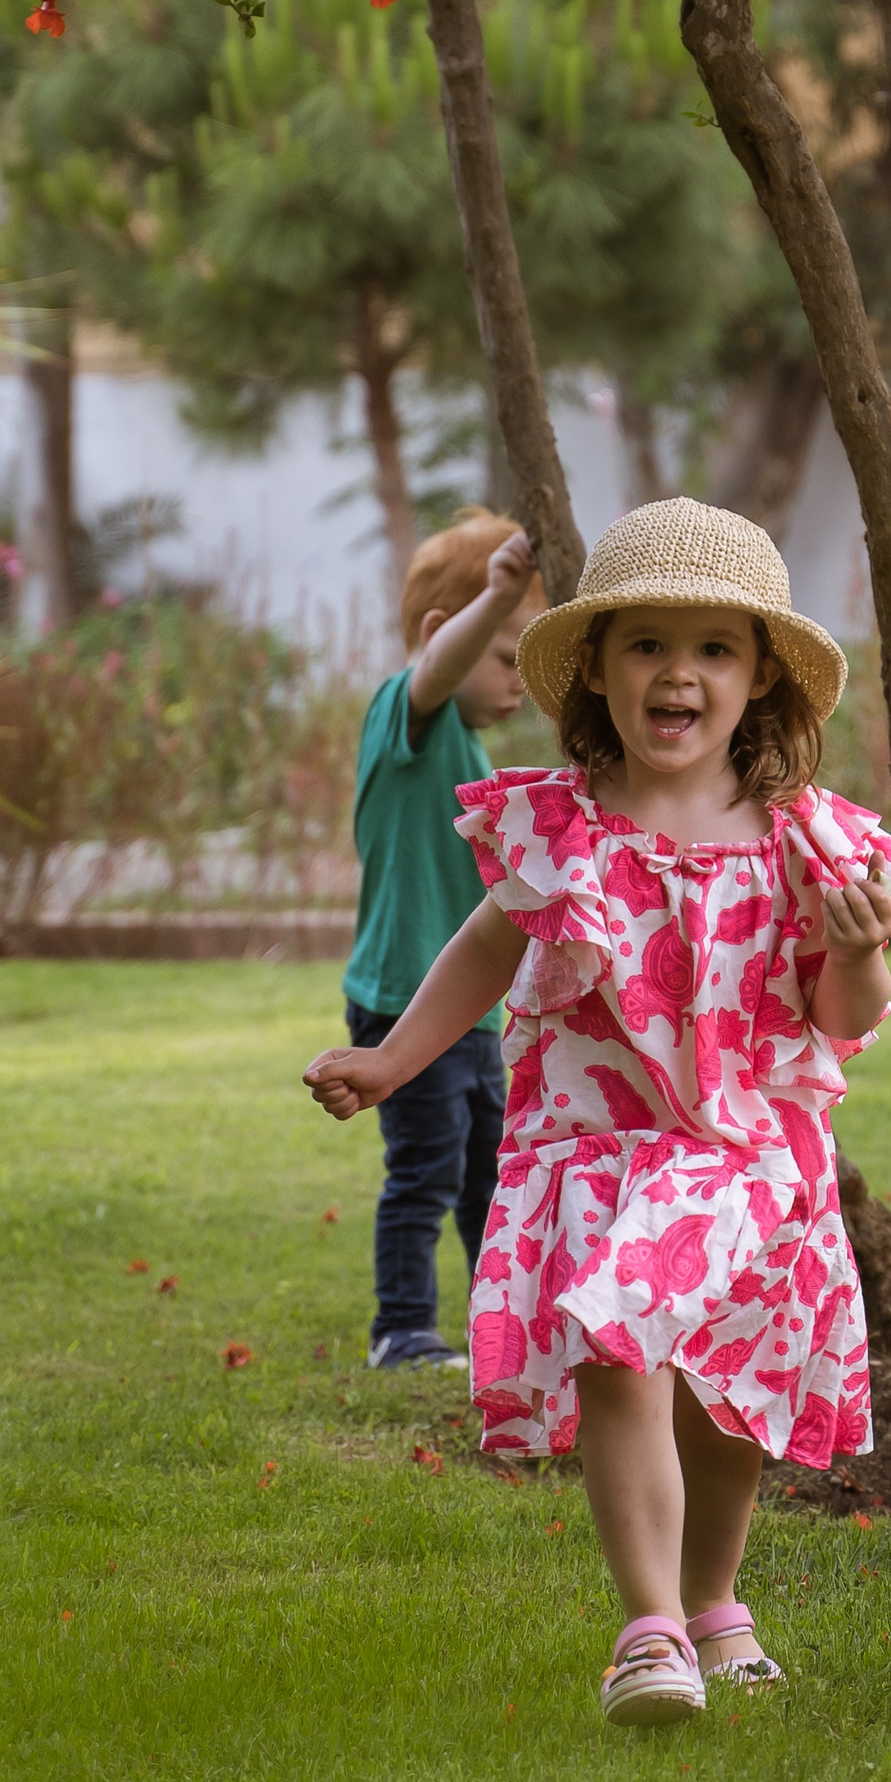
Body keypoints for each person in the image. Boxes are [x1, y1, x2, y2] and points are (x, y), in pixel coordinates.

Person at [308, 496, 891, 1728]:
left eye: (714, 648)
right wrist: (395, 1062)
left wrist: (865, 952)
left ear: (757, 684)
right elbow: (482, 948)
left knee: (729, 1390)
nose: (677, 671)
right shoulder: (568, 824)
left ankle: (716, 1601)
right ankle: (647, 1629)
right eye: (646, 644)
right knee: (621, 1348)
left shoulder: (805, 842)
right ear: (600, 671)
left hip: (747, 1156)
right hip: (601, 1151)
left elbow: (839, 1015)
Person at [338, 508, 545, 1371]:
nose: (519, 681)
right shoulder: (409, 717)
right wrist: (498, 592)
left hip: (464, 1010)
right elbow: (436, 671)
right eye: (506, 656)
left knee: (484, 1176)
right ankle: (403, 1331)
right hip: (398, 1001)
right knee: (424, 1172)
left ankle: (499, 1326)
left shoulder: (470, 748)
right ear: (444, 635)